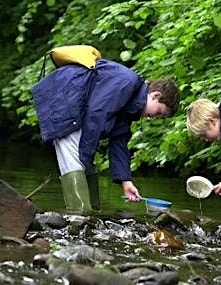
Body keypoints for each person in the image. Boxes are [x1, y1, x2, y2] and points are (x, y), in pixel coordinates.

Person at [32, 58, 180, 213]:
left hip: (76, 108)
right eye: (159, 112)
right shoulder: (126, 82)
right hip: (64, 100)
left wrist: (126, 181)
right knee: (75, 159)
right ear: (155, 96)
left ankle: (92, 215)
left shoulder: (130, 107)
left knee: (83, 159)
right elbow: (97, 114)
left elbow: (119, 143)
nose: (155, 117)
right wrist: (85, 156)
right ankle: (80, 215)